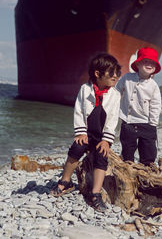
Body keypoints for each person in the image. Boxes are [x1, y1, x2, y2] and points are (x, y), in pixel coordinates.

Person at [50, 52, 121, 212]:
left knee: (101, 156)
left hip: (101, 136)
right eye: (111, 72)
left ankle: (95, 194)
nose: (115, 76)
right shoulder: (84, 89)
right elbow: (79, 112)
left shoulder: (115, 95)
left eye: (117, 72)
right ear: (97, 74)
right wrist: (81, 133)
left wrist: (107, 140)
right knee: (76, 148)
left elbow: (113, 118)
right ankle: (65, 181)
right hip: (87, 134)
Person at [116, 47, 162, 166]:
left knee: (148, 152)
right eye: (146, 61)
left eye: (152, 63)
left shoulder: (153, 86)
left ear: (155, 67)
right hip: (128, 121)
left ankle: (147, 171)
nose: (149, 64)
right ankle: (128, 168)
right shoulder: (127, 78)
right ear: (138, 63)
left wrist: (153, 123)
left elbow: (156, 105)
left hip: (147, 123)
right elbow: (116, 91)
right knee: (127, 150)